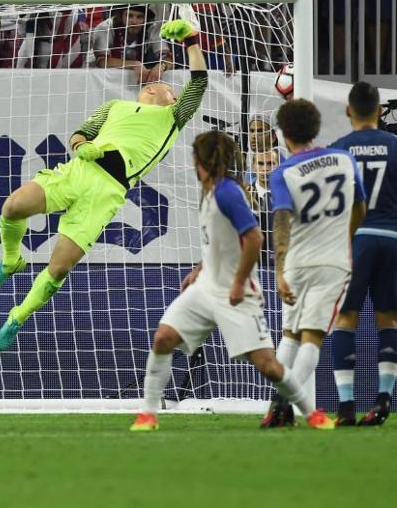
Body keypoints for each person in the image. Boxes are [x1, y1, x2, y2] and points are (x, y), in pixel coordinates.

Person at [0, 17, 208, 351]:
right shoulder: (114, 107)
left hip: (107, 191)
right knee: (13, 206)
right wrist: (80, 147)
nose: (175, 95)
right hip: (79, 170)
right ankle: (11, 260)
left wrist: (191, 40)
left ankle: (18, 316)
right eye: (171, 91)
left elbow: (199, 83)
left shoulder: (172, 117)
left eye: (177, 94)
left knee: (59, 268)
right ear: (150, 90)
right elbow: (80, 134)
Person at [130, 130, 333, 431]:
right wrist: (199, 269)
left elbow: (254, 237)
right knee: (163, 337)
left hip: (236, 293)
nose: (192, 162)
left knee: (268, 366)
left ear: (204, 159)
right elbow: (220, 240)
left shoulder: (227, 192)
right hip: (205, 289)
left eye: (195, 156)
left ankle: (312, 413)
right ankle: (148, 414)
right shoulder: (209, 190)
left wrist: (238, 282)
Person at [264, 99, 367, 427]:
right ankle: (282, 404)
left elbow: (281, 221)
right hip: (332, 262)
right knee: (312, 337)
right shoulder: (344, 159)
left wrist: (280, 270)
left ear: (283, 134)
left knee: (290, 335)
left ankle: (277, 406)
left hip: (296, 261)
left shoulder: (283, 172)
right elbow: (360, 207)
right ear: (316, 128)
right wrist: (343, 236)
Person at [329, 81, 397, 426]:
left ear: (348, 111)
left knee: (345, 318)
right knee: (388, 319)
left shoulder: (339, 150)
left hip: (354, 240)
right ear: (380, 111)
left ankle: (345, 406)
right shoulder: (395, 146)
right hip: (392, 237)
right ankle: (384, 399)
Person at [92, 4, 172, 83]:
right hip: (103, 78)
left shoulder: (151, 28)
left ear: (145, 19)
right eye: (129, 16)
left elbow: (169, 58)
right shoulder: (105, 28)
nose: (134, 22)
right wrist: (134, 64)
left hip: (136, 76)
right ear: (120, 16)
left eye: (139, 17)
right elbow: (101, 61)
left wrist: (162, 66)